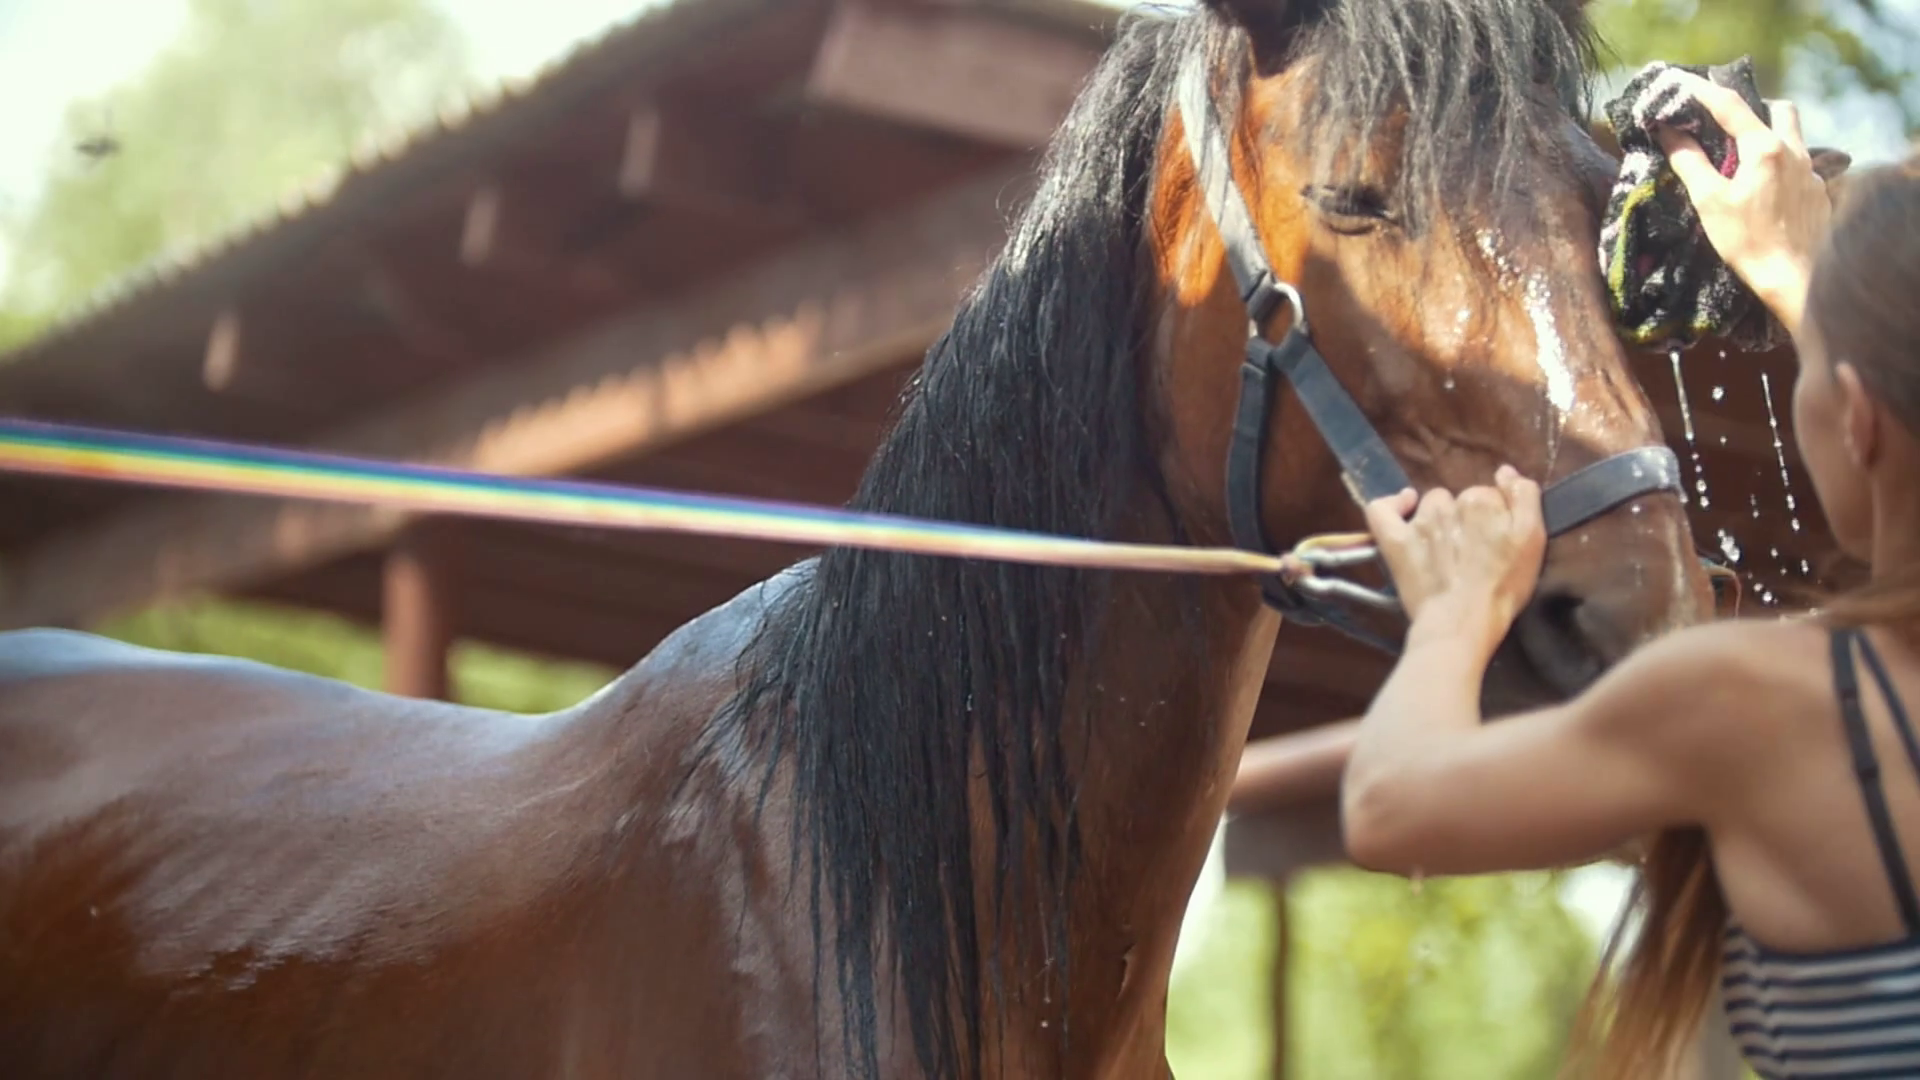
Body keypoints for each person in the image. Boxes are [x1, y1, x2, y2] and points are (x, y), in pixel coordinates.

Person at [1341, 70, 1920, 1079]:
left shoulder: (1774, 703)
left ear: (1860, 415)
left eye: (1811, 363)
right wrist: (1807, 285)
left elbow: (1389, 806)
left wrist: (1454, 612)